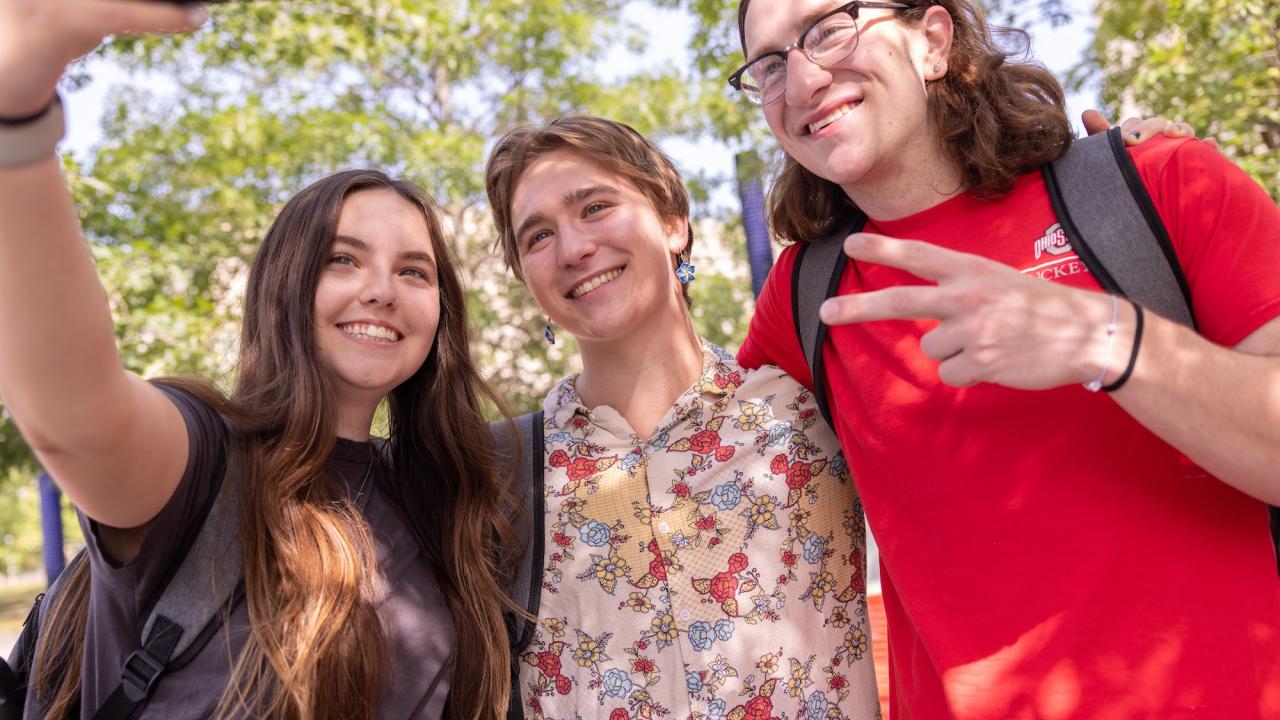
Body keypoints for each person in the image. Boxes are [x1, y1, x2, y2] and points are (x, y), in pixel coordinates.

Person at [729, 0, 1280, 717]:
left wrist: (1106, 337)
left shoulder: (1159, 183)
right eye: (769, 64)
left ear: (932, 41)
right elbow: (688, 466)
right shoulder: (803, 295)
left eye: (829, 29)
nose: (800, 78)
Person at [0, 3, 517, 718]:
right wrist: (18, 113)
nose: (381, 290)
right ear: (285, 287)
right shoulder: (202, 463)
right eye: (342, 259)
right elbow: (75, 414)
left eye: (415, 272)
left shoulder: (446, 504)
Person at [485, 117, 880, 720]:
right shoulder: (501, 474)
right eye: (537, 237)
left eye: (595, 206)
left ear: (673, 221)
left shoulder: (809, 409)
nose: (572, 249)